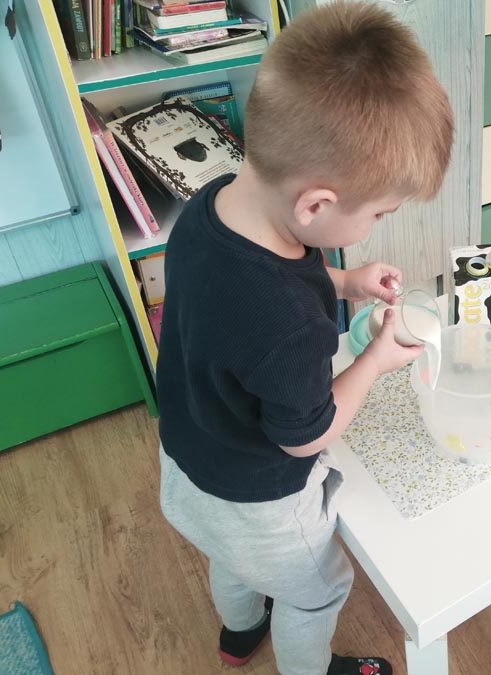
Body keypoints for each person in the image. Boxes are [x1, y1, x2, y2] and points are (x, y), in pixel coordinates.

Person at [154, 4, 453, 674]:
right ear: (315, 204)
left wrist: (344, 282)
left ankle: (238, 635)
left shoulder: (211, 206)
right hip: (262, 501)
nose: (378, 224)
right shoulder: (288, 326)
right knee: (317, 592)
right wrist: (374, 358)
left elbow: (264, 288)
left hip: (189, 461)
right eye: (379, 213)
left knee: (231, 560)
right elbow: (305, 435)